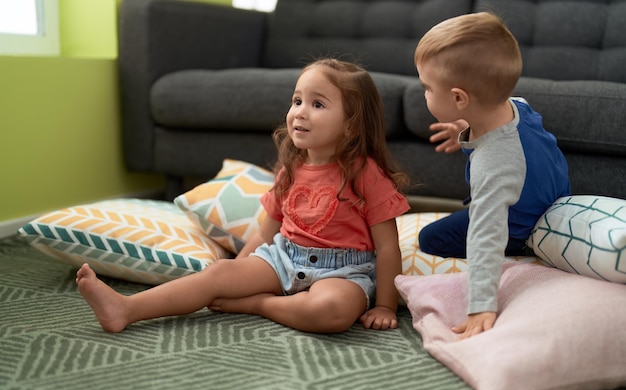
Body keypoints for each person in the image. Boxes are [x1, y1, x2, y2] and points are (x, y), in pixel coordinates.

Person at [76, 58, 411, 334]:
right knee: (216, 275)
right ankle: (126, 308)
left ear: (351, 125)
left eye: (317, 103)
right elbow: (266, 233)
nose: (300, 112)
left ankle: (260, 305)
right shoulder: (291, 169)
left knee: (331, 312)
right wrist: (237, 274)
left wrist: (384, 304)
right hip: (284, 258)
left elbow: (386, 246)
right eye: (297, 101)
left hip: (343, 272)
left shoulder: (365, 173)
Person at [413, 13, 571, 339]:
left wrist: (481, 306)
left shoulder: (494, 164)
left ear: (458, 98)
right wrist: (463, 125)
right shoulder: (517, 106)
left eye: (427, 88)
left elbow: (486, 236)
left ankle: (528, 251)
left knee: (431, 238)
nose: (424, 94)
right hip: (551, 193)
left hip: (520, 223)